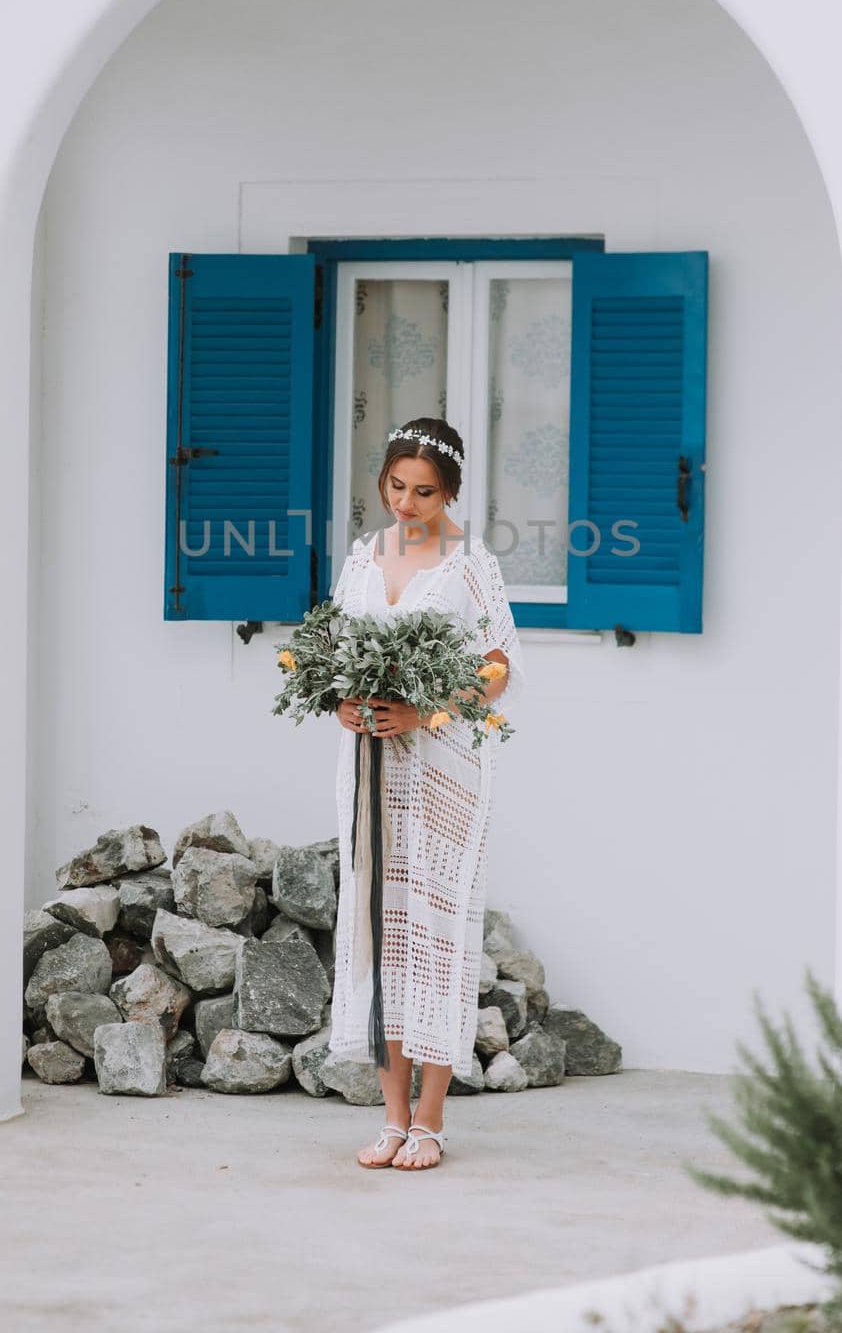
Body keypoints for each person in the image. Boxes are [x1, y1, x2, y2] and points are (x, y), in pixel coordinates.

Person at [327, 416, 527, 1170]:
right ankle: (391, 1116)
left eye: (424, 492)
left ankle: (432, 1121)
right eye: (396, 488)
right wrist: (341, 702)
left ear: (450, 492)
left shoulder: (470, 564)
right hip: (369, 765)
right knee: (379, 930)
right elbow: (335, 646)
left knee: (437, 931)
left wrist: (424, 711)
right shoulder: (362, 556)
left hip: (443, 764)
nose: (407, 505)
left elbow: (499, 667)